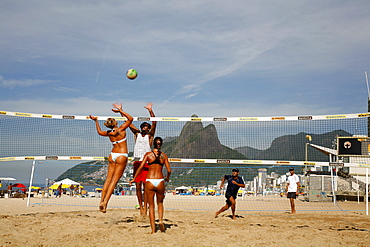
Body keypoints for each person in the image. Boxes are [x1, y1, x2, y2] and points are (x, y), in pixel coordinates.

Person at [90, 103, 133, 213]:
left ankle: (101, 201)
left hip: (112, 155)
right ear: (115, 122)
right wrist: (120, 110)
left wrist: (96, 121)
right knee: (114, 182)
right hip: (122, 155)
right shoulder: (121, 130)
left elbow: (99, 132)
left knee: (108, 180)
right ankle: (105, 204)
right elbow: (130, 118)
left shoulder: (109, 133)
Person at [130, 137, 171, 234]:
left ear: (153, 144)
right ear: (161, 144)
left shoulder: (148, 155)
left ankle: (153, 229)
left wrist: (134, 178)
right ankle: (160, 220)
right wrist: (167, 178)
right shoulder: (164, 156)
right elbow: (169, 170)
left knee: (151, 206)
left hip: (150, 180)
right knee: (160, 203)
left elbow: (140, 167)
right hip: (160, 180)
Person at [129, 103, 157, 215]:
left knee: (146, 186)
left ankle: (146, 206)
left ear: (149, 128)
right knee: (137, 186)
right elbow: (128, 122)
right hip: (137, 162)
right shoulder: (137, 134)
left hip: (146, 162)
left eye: (147, 126)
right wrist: (121, 111)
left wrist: (150, 110)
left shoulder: (150, 136)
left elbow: (154, 121)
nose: (146, 127)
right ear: (141, 127)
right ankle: (140, 207)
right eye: (144, 125)